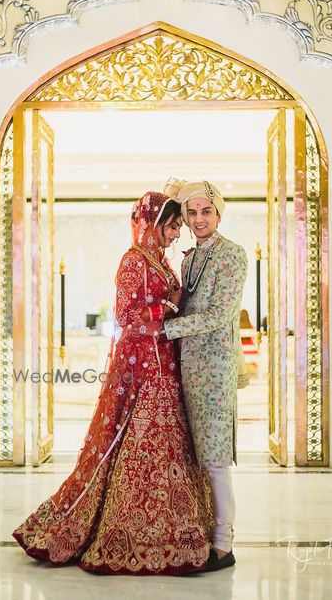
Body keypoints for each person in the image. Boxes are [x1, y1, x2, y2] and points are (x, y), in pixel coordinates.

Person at [12, 191, 214, 574]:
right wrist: (170, 304)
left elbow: (167, 308)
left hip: (164, 363)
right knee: (134, 444)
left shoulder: (160, 260)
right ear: (154, 223)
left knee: (167, 446)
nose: (176, 234)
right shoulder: (133, 260)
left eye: (177, 227)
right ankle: (124, 531)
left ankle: (176, 535)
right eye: (172, 226)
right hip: (140, 366)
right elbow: (127, 316)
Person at [163, 179, 248, 572]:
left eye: (206, 212)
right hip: (187, 366)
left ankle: (223, 545)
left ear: (218, 213)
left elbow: (221, 315)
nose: (198, 220)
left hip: (214, 369)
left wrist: (167, 328)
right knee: (196, 456)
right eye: (191, 213)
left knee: (214, 459)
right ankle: (201, 535)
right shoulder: (189, 258)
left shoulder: (233, 255)